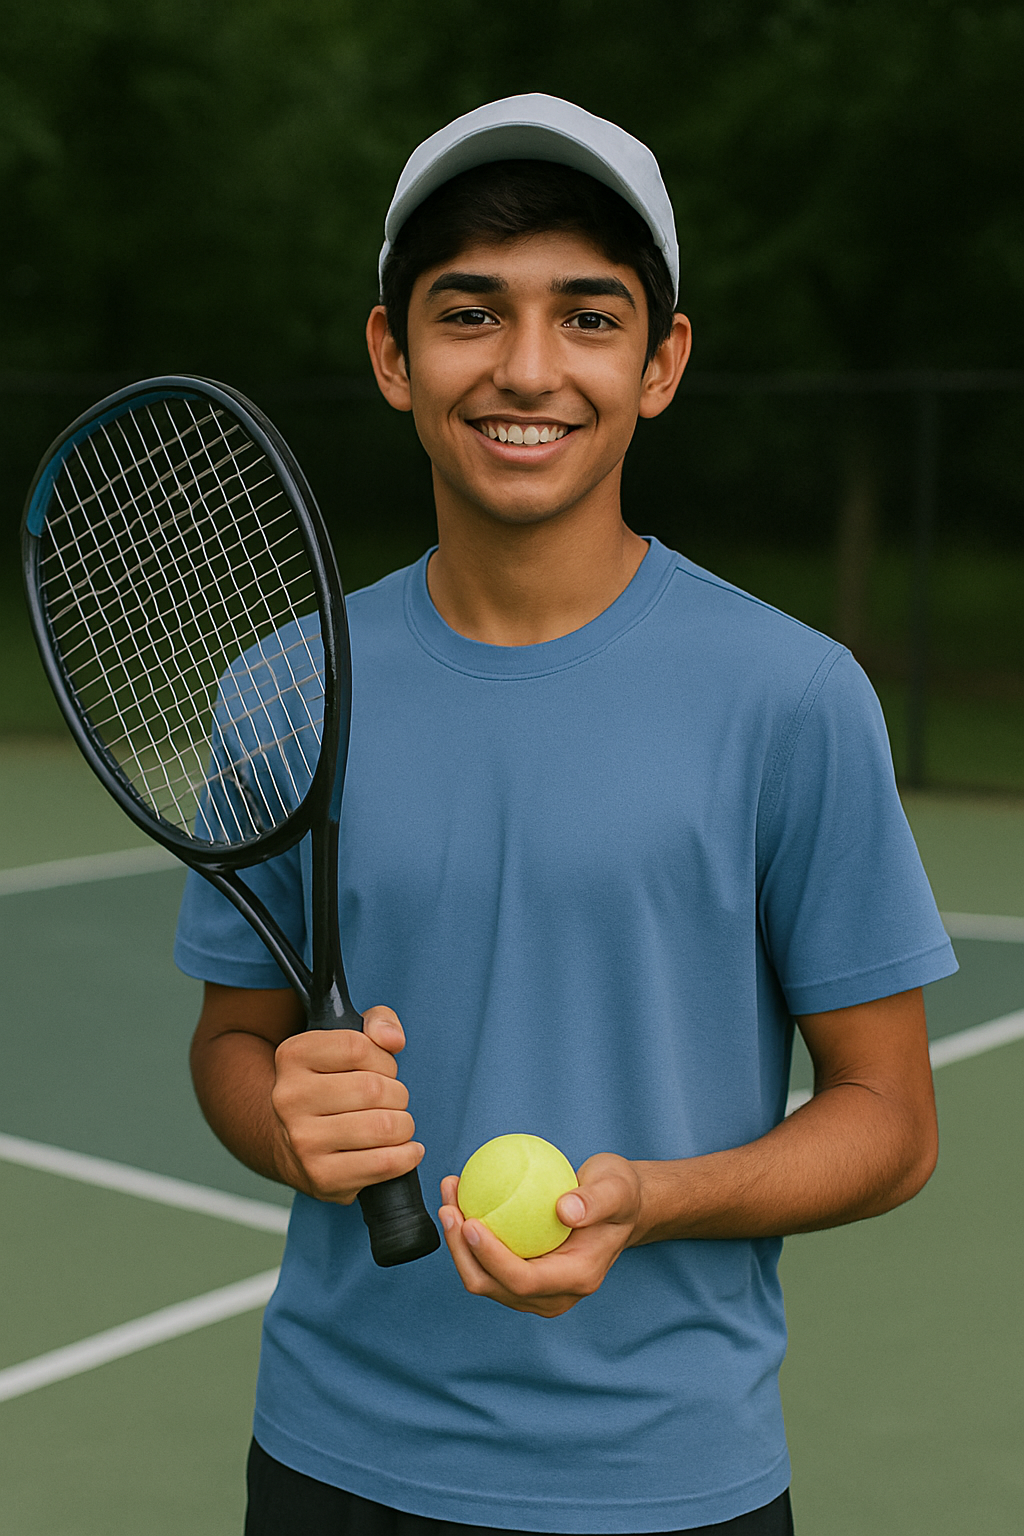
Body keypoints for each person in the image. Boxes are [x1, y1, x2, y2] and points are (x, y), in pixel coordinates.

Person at [177, 95, 957, 1536]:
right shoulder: (283, 693)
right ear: (390, 355)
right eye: (470, 312)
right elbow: (236, 1048)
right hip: (330, 1466)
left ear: (660, 364)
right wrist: (289, 1125)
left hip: (669, 1485)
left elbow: (892, 1123)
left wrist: (654, 1200)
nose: (526, 369)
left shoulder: (793, 695)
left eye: (587, 318)